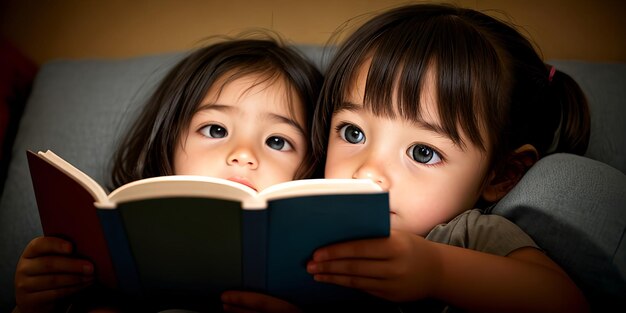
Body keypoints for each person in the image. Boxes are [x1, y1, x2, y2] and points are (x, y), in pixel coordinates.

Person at [302, 3, 590, 312]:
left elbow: (565, 302)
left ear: (502, 175)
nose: (368, 172)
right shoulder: (311, 215)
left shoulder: (466, 235)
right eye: (352, 133)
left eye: (422, 153)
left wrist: (436, 270)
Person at [13, 34, 323, 313]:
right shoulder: (106, 251)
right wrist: (32, 305)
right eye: (216, 129)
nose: (243, 154)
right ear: (167, 143)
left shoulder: (317, 274)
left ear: (309, 167)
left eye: (277, 141)